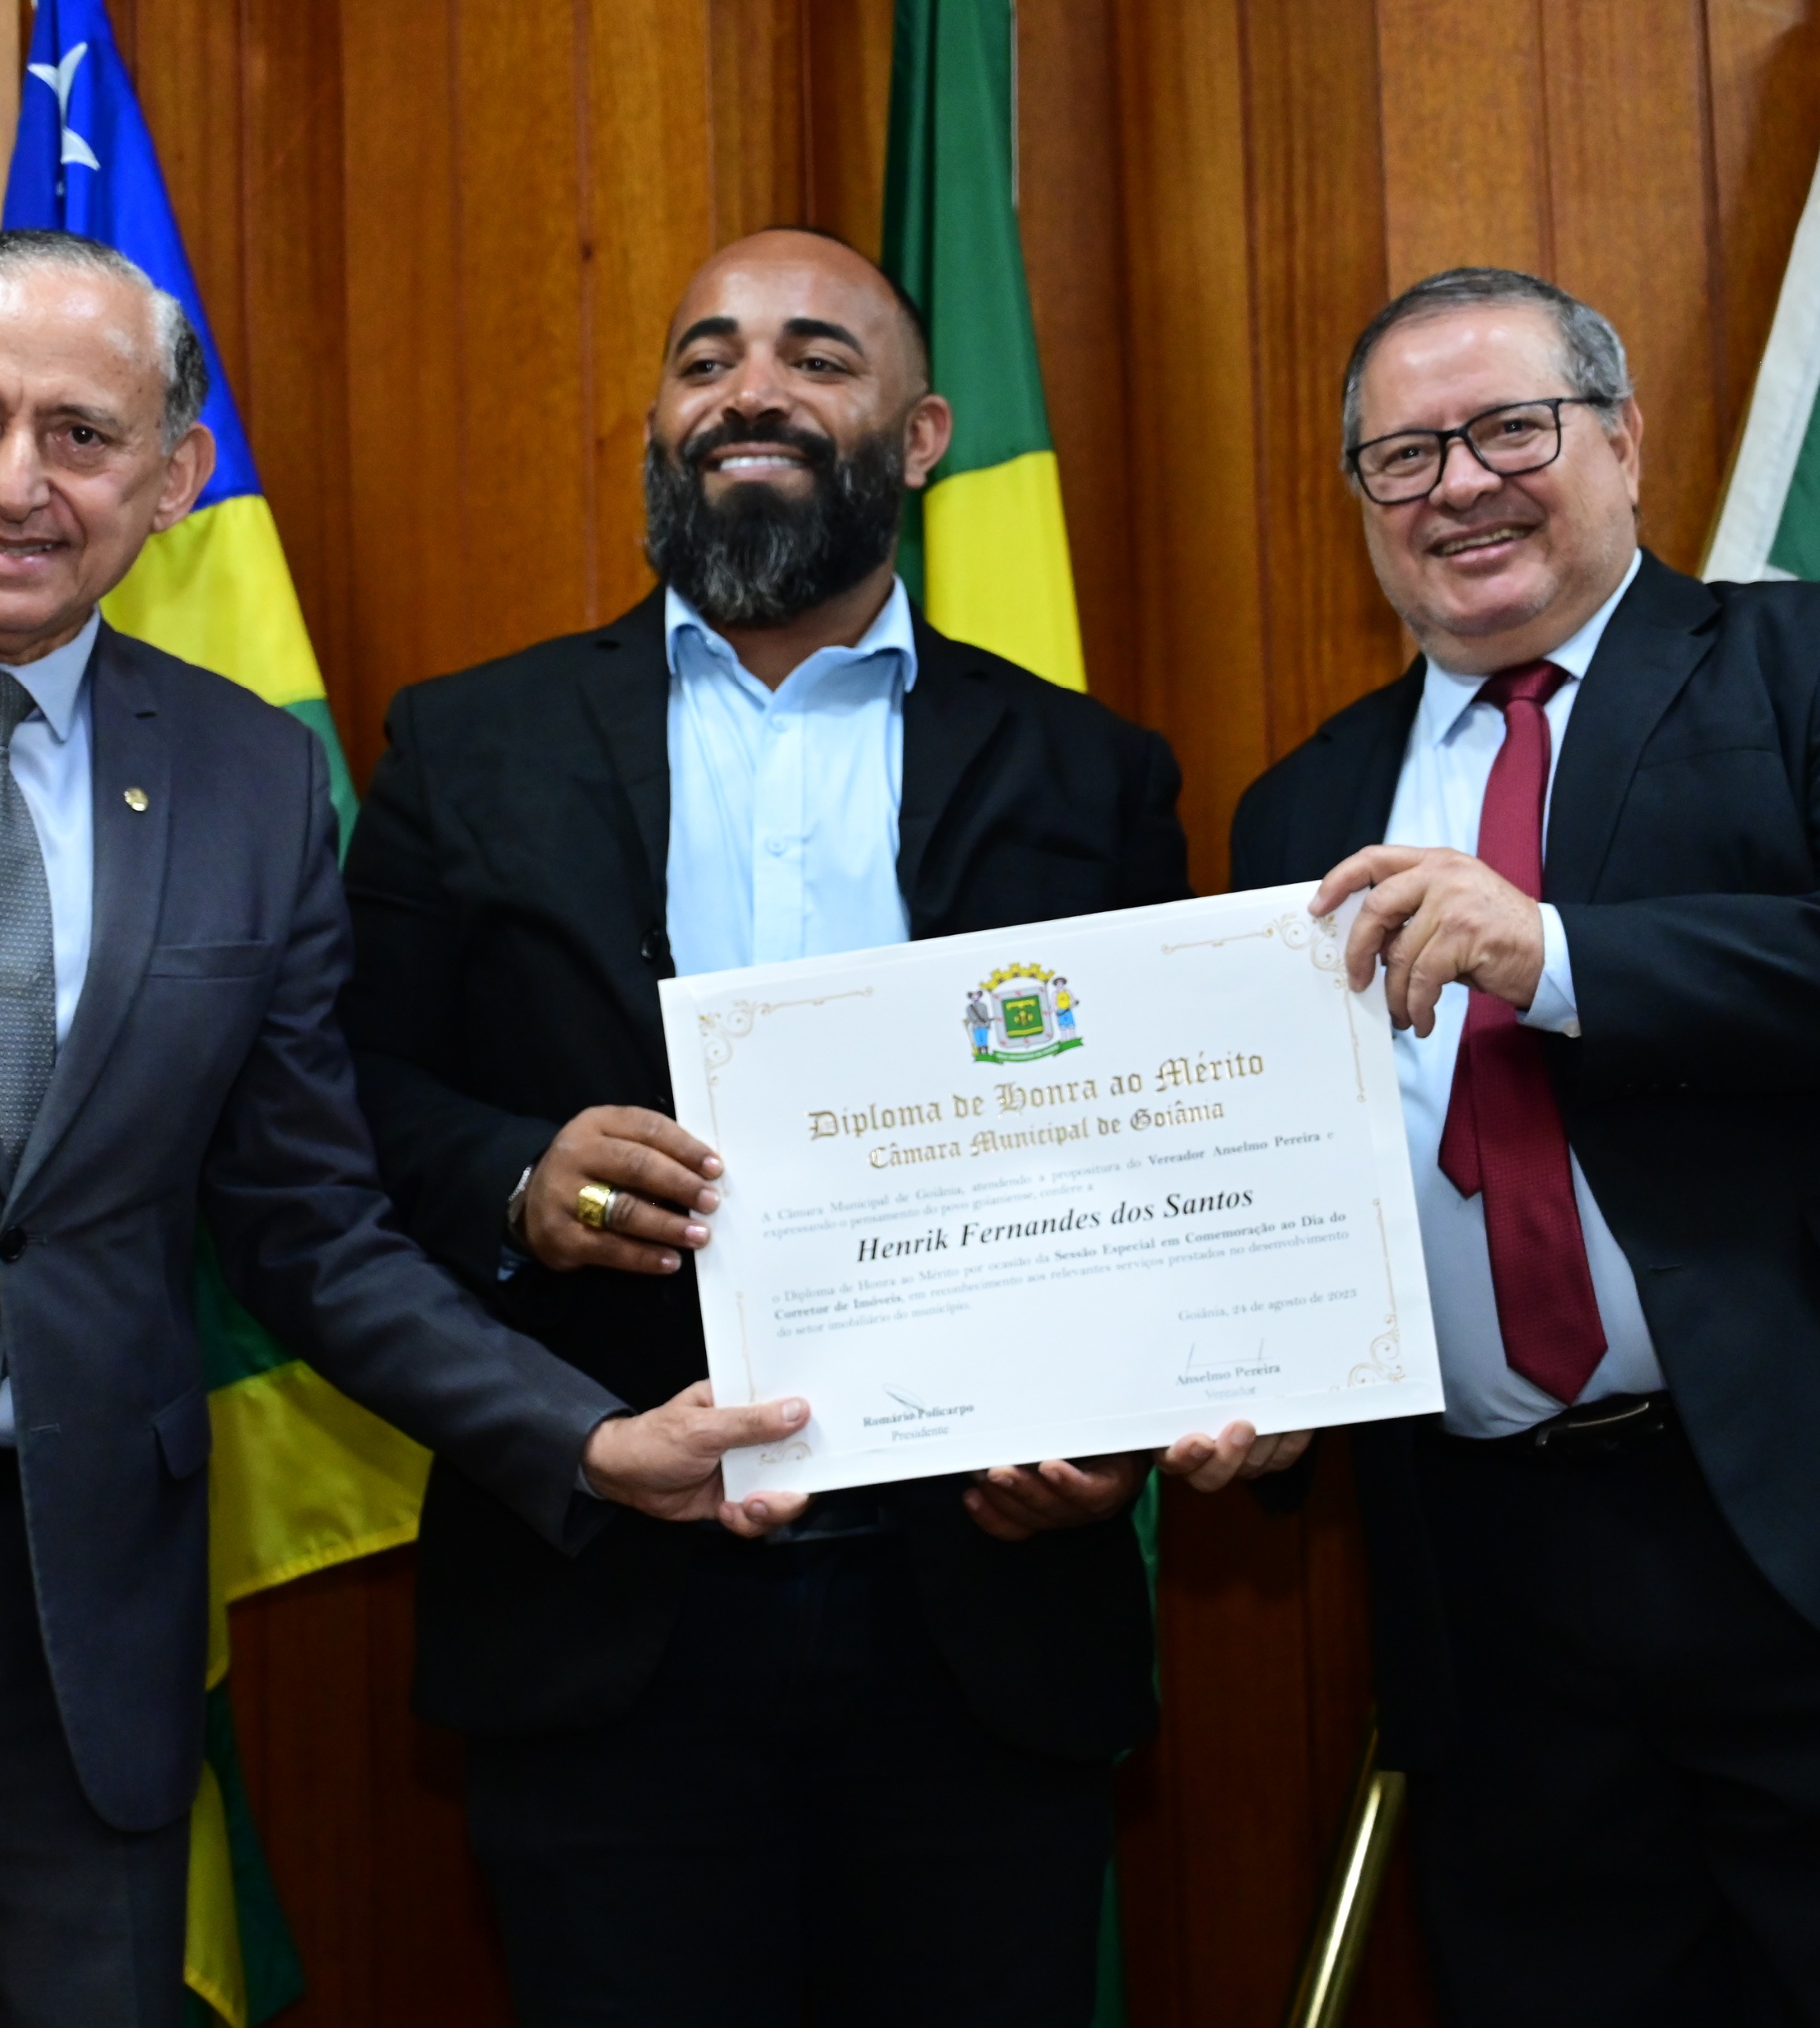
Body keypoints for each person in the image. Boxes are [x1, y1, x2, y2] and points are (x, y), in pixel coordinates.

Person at [0, 227, 808, 2028]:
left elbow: (308, 1225)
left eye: (83, 435)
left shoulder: (252, 776)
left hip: (82, 1655)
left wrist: (581, 1441)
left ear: (175, 479)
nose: (15, 482)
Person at [340, 228, 1296, 2026]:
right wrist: (519, 1181)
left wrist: (1107, 1433)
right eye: (704, 359)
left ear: (921, 437)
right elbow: (351, 1098)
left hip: (981, 1625)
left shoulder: (1092, 773)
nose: (748, 393)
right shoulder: (466, 745)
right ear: (660, 425)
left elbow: (1158, 1164)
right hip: (603, 1608)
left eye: (814, 357)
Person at [1224, 266, 1820, 2024]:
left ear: (1625, 442)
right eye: (1404, 456)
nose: (1459, 486)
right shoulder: (1300, 808)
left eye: (1510, 430)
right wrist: (1260, 1397)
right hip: (1501, 1609)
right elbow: (1294, 1182)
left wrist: (1557, 955)